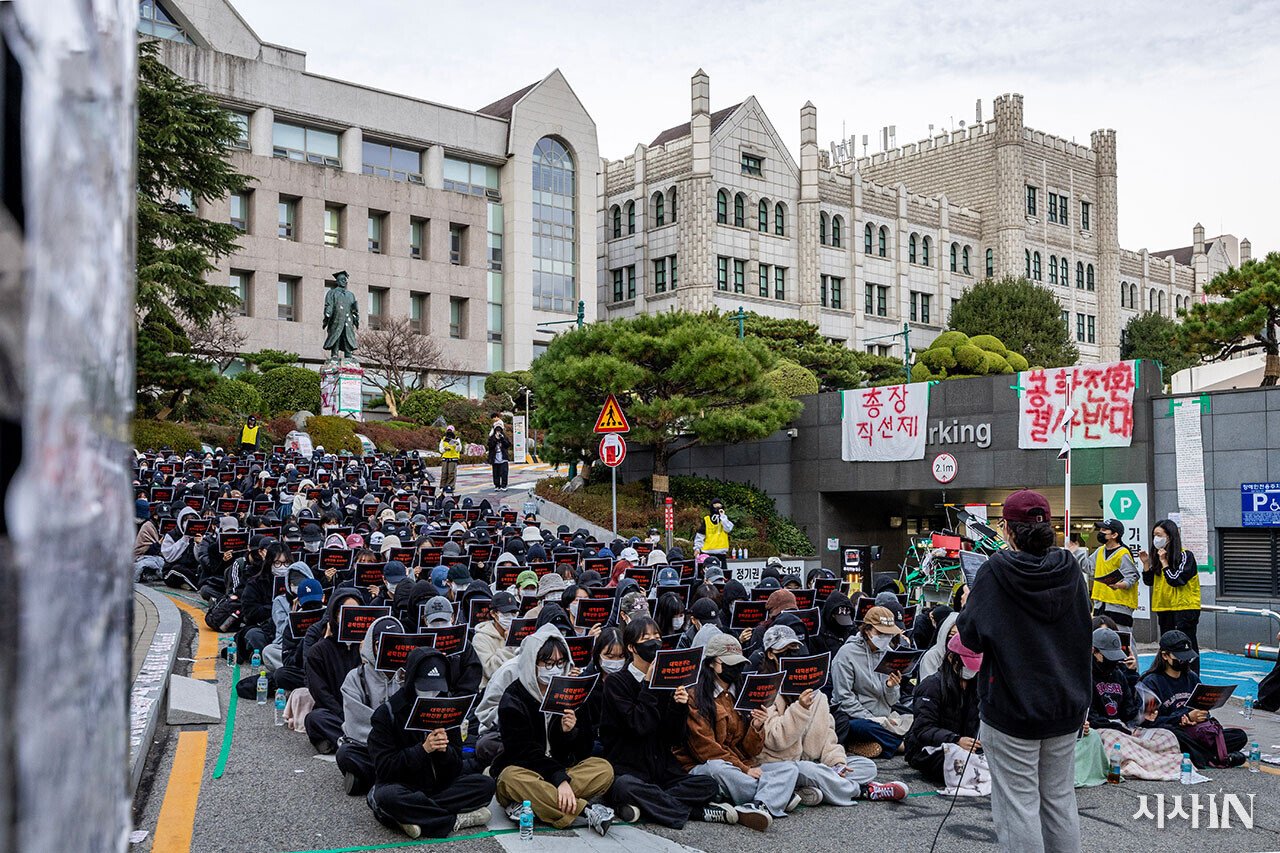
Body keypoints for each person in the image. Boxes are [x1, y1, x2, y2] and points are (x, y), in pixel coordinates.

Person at [957, 489, 1091, 853]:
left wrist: (969, 604)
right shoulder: (1070, 568)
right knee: (1060, 800)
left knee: (1018, 807)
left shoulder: (995, 572)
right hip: (1066, 705)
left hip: (1012, 708)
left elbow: (970, 638)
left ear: (1008, 529)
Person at [599, 617, 758, 829]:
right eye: (646, 639)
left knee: (708, 785)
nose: (654, 642)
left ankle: (646, 806)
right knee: (624, 787)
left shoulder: (666, 681)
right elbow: (639, 725)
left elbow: (673, 736)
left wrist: (678, 706)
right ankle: (695, 811)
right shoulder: (616, 683)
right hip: (630, 768)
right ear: (632, 647)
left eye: (657, 637)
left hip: (663, 770)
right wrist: (648, 685)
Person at [756, 625, 907, 804]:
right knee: (806, 770)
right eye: (785, 650)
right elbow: (775, 739)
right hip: (781, 765)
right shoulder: (764, 690)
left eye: (794, 648)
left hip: (815, 763)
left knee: (866, 767)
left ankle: (808, 790)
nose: (792, 654)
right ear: (771, 654)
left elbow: (828, 736)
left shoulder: (815, 692)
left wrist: (837, 762)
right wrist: (800, 709)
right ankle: (864, 791)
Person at [491, 624, 616, 836]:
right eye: (547, 663)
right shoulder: (514, 698)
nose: (555, 669)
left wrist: (572, 731)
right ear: (533, 663)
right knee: (509, 778)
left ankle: (533, 805)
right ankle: (585, 810)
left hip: (564, 770)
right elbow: (523, 753)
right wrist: (559, 780)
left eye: (560, 663)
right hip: (527, 772)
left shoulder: (571, 692)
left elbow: (584, 751)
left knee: (603, 768)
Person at [365, 647, 496, 839]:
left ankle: (410, 816)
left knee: (485, 785)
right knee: (387, 797)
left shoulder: (446, 707)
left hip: (439, 786)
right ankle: (453, 820)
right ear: (411, 681)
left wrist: (444, 751)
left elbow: (456, 765)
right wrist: (422, 750)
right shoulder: (388, 714)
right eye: (425, 687)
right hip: (403, 785)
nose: (431, 694)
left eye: (436, 688)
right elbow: (385, 768)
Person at [675, 632, 797, 822]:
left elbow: (751, 751)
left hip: (740, 766)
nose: (736, 668)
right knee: (718, 768)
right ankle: (776, 796)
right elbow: (706, 751)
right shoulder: (695, 696)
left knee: (789, 769)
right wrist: (744, 769)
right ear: (711, 663)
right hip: (702, 767)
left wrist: (756, 727)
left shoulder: (741, 692)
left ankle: (759, 804)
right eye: (729, 663)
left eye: (738, 663)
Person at [1139, 630, 1247, 768]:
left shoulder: (1192, 677)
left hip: (1196, 732)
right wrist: (1181, 718)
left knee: (1239, 736)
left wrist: (1202, 715)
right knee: (1176, 736)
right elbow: (1148, 721)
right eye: (1180, 657)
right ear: (1165, 656)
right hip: (1171, 731)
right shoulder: (1151, 682)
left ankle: (1203, 755)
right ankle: (1212, 756)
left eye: (1187, 657)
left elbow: (1203, 706)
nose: (1184, 661)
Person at [831, 605, 912, 759]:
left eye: (888, 634)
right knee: (865, 727)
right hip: (854, 716)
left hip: (884, 714)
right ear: (867, 630)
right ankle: (901, 746)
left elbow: (893, 701)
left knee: (914, 715)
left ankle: (874, 744)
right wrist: (872, 718)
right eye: (880, 633)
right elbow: (844, 698)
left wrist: (891, 687)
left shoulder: (888, 652)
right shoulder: (846, 654)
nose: (885, 638)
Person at [337, 615, 404, 796]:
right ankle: (395, 782)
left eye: (394, 643)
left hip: (403, 748)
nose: (387, 649)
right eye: (381, 643)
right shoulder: (355, 677)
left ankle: (372, 781)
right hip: (369, 746)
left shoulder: (409, 675)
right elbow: (356, 721)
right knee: (345, 753)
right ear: (371, 645)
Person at [905, 634, 982, 785]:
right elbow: (923, 729)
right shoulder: (931, 686)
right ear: (952, 658)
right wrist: (956, 740)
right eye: (967, 664)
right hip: (930, 749)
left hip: (967, 747)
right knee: (958, 763)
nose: (971, 670)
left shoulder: (978, 687)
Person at [304, 588, 367, 754]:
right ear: (335, 614)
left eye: (355, 612)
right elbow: (321, 693)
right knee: (315, 718)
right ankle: (351, 741)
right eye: (345, 612)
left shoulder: (369, 649)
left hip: (364, 714)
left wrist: (366, 657)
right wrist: (345, 716)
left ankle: (340, 741)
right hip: (336, 714)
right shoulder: (319, 651)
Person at [1138, 518, 1201, 655]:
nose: (1156, 538)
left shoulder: (1185, 556)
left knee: (1186, 646)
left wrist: (1164, 562)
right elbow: (1149, 581)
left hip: (1184, 608)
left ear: (1170, 536)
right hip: (1164, 607)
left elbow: (1176, 580)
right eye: (1154, 535)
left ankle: (1191, 675)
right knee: (1168, 647)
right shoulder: (1158, 557)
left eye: (1159, 535)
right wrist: (1146, 563)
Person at [1089, 519, 1139, 628]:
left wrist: (1118, 585)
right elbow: (1089, 568)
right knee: (1099, 637)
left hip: (1119, 605)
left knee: (1122, 638)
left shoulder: (1123, 553)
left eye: (1104, 530)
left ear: (1114, 535)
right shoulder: (1100, 551)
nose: (1100, 532)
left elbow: (1132, 577)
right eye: (1100, 529)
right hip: (1100, 603)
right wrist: (1075, 554)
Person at [474, 591, 519, 687]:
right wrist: (510, 645)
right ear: (493, 614)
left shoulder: (519, 633)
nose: (510, 617)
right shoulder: (480, 638)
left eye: (514, 613)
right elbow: (490, 670)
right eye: (506, 614)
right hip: (492, 689)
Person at [487, 425, 512, 492]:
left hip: (503, 458)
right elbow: (490, 445)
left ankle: (504, 485)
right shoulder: (492, 438)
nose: (498, 433)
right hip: (495, 459)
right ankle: (497, 485)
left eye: (499, 431)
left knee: (504, 473)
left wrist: (502, 439)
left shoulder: (504, 437)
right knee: (496, 473)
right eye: (497, 431)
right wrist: (495, 439)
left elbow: (508, 445)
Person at [438, 426, 461, 493]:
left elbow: (458, 449)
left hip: (453, 458)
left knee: (451, 473)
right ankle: (442, 486)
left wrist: (457, 444)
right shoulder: (443, 439)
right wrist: (445, 449)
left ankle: (450, 486)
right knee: (444, 473)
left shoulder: (456, 439)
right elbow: (440, 449)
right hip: (445, 457)